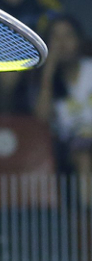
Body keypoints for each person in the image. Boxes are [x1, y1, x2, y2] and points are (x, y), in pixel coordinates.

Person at [35, 14, 92, 175]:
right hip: (69, 148)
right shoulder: (45, 82)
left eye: (68, 35)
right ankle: (86, 202)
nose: (62, 43)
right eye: (56, 37)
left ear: (80, 40)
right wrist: (48, 72)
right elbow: (41, 121)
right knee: (84, 155)